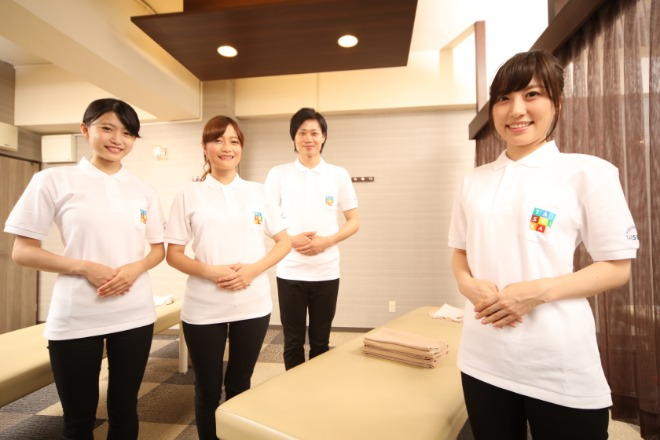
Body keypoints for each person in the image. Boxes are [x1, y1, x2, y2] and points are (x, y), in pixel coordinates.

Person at [448, 50, 639, 440]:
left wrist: (535, 293)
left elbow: (617, 268)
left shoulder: (588, 172)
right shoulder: (474, 181)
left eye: (531, 94)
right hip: (482, 356)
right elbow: (461, 253)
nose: (516, 110)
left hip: (558, 360)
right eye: (504, 98)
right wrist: (467, 285)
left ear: (557, 103)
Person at [4, 98, 165, 439]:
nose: (117, 139)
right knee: (78, 418)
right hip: (76, 314)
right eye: (107, 128)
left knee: (125, 409)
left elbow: (157, 250)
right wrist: (84, 267)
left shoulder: (143, 191)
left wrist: (135, 268)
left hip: (134, 312)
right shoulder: (53, 180)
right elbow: (22, 252)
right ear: (85, 129)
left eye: (127, 133)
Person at [164, 115, 290, 440]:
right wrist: (210, 271)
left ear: (241, 148)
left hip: (253, 304)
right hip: (204, 306)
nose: (226, 147)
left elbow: (284, 241)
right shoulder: (188, 194)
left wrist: (252, 270)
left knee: (240, 384)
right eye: (218, 140)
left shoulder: (258, 192)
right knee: (207, 388)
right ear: (204, 147)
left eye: (234, 141)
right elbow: (173, 254)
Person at [264, 107, 360, 370]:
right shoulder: (278, 174)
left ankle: (317, 391)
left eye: (314, 133)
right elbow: (266, 219)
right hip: (290, 271)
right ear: (294, 137)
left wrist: (327, 241)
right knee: (292, 342)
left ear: (324, 137)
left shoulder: (338, 174)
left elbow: (354, 221)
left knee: (321, 342)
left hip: (326, 272)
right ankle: (293, 393)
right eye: (302, 132)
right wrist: (289, 240)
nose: (308, 138)